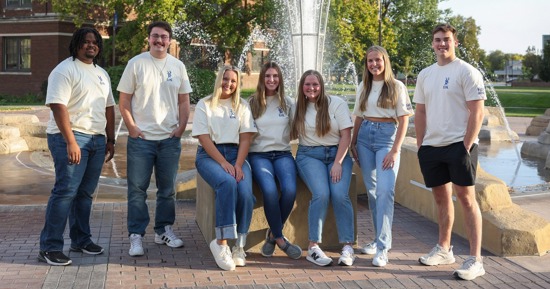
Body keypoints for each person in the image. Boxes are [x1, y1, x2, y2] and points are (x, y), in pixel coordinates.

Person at [413, 23, 486, 281]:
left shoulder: (467, 72)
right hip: (432, 147)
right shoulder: (425, 74)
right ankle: (444, 249)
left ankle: (476, 260)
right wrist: (421, 145)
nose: (441, 44)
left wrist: (466, 145)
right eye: (437, 40)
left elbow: (478, 111)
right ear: (432, 43)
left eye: (446, 39)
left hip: (459, 146)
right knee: (442, 200)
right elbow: (420, 111)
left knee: (466, 200)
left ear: (455, 42)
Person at [38, 27, 115, 266]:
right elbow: (58, 106)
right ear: (76, 44)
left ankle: (81, 240)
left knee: (84, 193)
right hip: (70, 138)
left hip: (96, 140)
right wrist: (71, 141)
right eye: (85, 42)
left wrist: (110, 139)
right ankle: (49, 248)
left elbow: (109, 107)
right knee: (65, 192)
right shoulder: (64, 70)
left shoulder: (101, 73)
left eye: (94, 42)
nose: (90, 45)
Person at [117, 21, 192, 256]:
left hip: (169, 139)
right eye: (155, 36)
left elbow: (183, 101)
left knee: (167, 189)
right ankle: (136, 235)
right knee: (137, 190)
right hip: (142, 140)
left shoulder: (178, 66)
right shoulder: (136, 64)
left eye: (164, 37)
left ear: (170, 41)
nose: (159, 40)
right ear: (148, 39)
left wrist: (181, 128)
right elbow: (124, 100)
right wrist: (132, 127)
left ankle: (163, 230)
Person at [350, 45, 413, 267]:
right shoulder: (363, 86)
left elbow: (404, 119)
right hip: (365, 137)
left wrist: (396, 150)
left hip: (387, 138)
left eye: (378, 60)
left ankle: (383, 247)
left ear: (385, 61)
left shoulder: (396, 86)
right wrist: (353, 142)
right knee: (373, 192)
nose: (374, 64)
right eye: (370, 61)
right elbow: (358, 116)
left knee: (386, 190)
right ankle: (377, 240)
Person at [192, 65, 257, 271]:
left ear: (238, 84)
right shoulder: (205, 104)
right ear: (219, 79)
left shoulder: (242, 106)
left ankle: (239, 246)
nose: (228, 84)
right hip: (210, 156)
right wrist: (223, 163)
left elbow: (246, 138)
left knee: (246, 191)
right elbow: (203, 138)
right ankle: (221, 243)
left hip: (236, 155)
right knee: (227, 182)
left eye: (233, 81)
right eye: (225, 79)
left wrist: (237, 164)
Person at [290, 70, 355, 267]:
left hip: (337, 154)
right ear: (302, 86)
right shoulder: (297, 108)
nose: (311, 88)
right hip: (309, 155)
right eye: (307, 84)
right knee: (321, 193)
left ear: (322, 85)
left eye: (315, 84)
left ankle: (347, 247)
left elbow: (346, 135)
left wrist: (337, 162)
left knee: (339, 194)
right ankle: (313, 247)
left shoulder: (336, 103)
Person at [248, 62, 302, 260]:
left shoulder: (288, 103)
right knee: (270, 191)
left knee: (289, 191)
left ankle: (271, 235)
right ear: (262, 79)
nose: (272, 80)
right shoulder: (252, 103)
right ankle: (280, 239)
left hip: (282, 154)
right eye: (268, 76)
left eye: (275, 76)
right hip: (258, 155)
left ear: (280, 79)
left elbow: (297, 130)